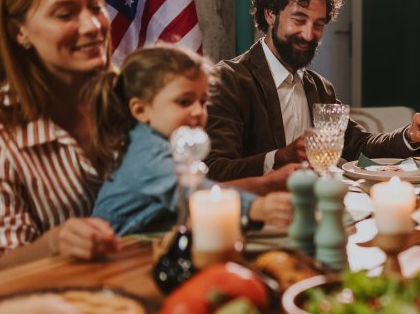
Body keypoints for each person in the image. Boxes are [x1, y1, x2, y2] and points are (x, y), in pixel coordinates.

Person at [205, 0, 420, 182]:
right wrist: (279, 158)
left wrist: (409, 136)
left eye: (318, 24)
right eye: (299, 20)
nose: (309, 35)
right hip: (261, 214)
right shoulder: (228, 79)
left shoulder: (319, 87)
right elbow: (214, 169)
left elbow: (358, 145)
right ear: (270, 14)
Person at [0, 0, 118, 274]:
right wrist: (55, 243)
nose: (92, 26)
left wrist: (258, 195)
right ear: (20, 32)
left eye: (95, 6)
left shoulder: (133, 98)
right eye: (65, 14)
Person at [89, 45, 292, 236]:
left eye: (203, 101)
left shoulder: (172, 146)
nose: (199, 111)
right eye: (184, 102)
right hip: (115, 254)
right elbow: (193, 194)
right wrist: (256, 207)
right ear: (141, 110)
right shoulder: (147, 151)